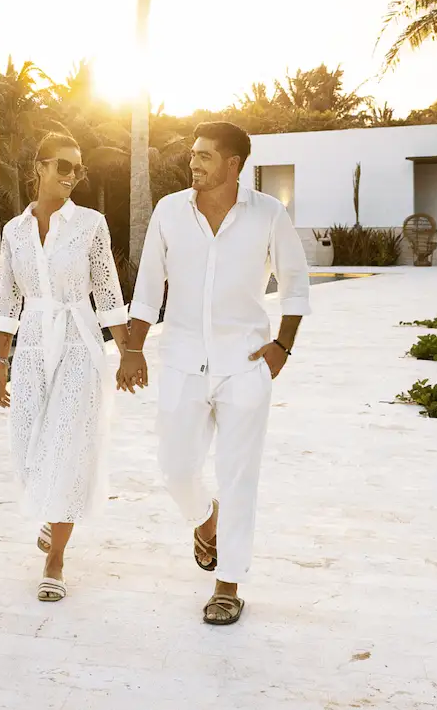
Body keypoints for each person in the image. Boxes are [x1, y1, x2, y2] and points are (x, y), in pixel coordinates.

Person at [116, 121, 311, 625]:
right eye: (193, 154)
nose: (194, 162)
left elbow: (295, 282)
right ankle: (206, 521)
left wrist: (282, 345)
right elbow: (148, 286)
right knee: (175, 466)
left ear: (233, 164)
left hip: (245, 363)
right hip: (181, 359)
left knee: (239, 475)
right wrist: (133, 348)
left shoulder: (268, 214)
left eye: (205, 155)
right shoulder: (169, 211)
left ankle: (228, 584)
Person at [0, 133, 135, 603]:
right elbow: (7, 299)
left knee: (68, 450)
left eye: (78, 170)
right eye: (64, 167)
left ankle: (55, 559)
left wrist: (128, 353)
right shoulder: (14, 231)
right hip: (31, 343)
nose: (72, 176)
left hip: (78, 342)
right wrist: (0, 364)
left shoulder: (90, 224)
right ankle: (50, 521)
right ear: (40, 166)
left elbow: (108, 292)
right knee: (27, 449)